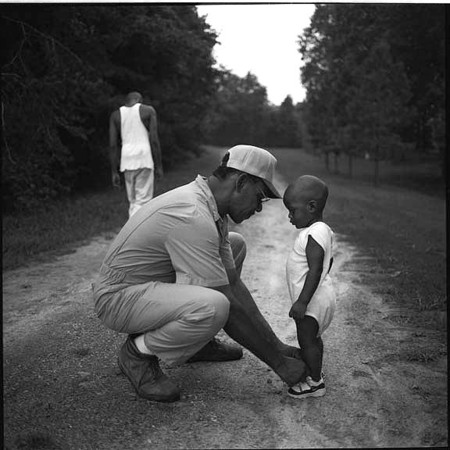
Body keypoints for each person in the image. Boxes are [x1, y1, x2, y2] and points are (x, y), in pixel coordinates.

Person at [92, 144, 306, 402]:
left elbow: (233, 284)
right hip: (117, 297)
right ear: (241, 182)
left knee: (235, 246)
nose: (259, 208)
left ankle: (197, 343)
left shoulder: (212, 209)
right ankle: (137, 354)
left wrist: (278, 347)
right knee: (215, 306)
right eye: (260, 197)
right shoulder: (193, 214)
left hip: (144, 286)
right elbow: (229, 306)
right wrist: (279, 364)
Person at [283, 175, 336, 399]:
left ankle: (314, 383)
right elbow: (327, 263)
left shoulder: (314, 232)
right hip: (319, 296)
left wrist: (302, 301)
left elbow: (315, 270)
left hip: (312, 301)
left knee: (307, 341)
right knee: (313, 339)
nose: (289, 217)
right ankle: (316, 371)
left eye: (293, 210)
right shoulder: (323, 231)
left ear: (311, 207)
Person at [109, 91, 164, 217]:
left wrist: (114, 171)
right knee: (143, 202)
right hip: (144, 159)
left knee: (133, 201)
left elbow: (113, 145)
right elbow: (154, 140)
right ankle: (137, 234)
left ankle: (131, 232)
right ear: (139, 100)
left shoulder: (115, 115)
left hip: (126, 161)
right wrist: (159, 165)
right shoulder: (148, 110)